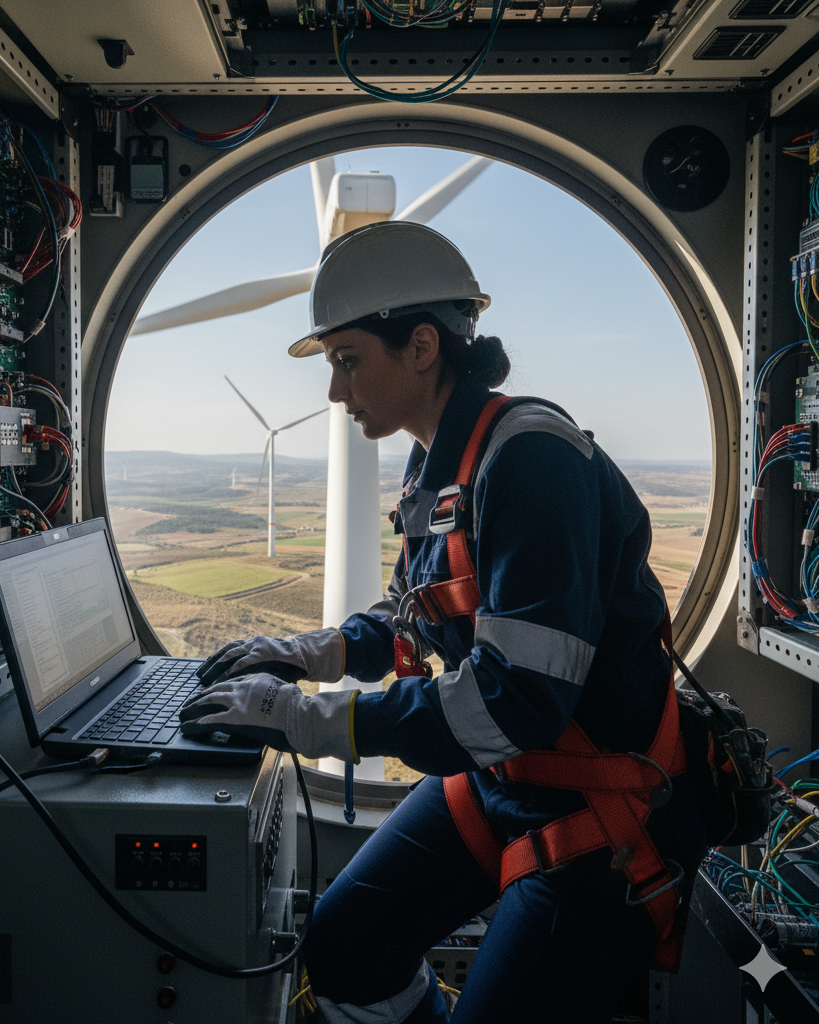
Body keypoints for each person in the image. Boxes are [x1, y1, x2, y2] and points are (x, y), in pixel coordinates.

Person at [179, 221, 707, 1024]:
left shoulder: (531, 458)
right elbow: (416, 620)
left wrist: (308, 721)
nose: (334, 392)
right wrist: (309, 654)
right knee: (344, 947)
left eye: (347, 362)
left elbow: (517, 698)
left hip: (597, 818)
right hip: (504, 782)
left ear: (421, 345)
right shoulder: (441, 464)